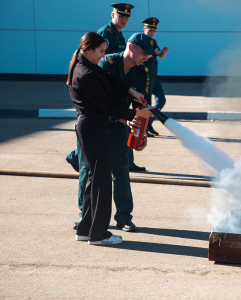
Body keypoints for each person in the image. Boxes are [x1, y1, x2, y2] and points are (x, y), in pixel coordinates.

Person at [67, 31, 154, 245]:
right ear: (89, 50)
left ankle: (85, 229)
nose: (103, 56)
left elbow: (110, 79)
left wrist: (131, 92)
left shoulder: (88, 67)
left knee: (94, 180)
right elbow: (106, 107)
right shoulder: (86, 74)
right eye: (101, 51)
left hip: (93, 127)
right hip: (94, 127)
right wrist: (136, 115)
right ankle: (99, 234)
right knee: (102, 181)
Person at [66, 2, 147, 172]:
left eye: (127, 17)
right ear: (112, 15)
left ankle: (77, 155)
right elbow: (101, 68)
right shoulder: (105, 34)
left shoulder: (119, 35)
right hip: (100, 99)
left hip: (114, 94)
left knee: (109, 151)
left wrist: (128, 90)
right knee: (88, 164)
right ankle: (75, 155)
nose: (124, 19)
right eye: (121, 15)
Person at [127, 17, 170, 170]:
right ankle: (147, 126)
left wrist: (162, 52)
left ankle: (149, 124)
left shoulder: (153, 42)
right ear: (144, 29)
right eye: (149, 29)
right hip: (145, 77)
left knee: (162, 100)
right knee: (147, 103)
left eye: (153, 30)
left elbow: (160, 56)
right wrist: (155, 53)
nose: (151, 32)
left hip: (154, 76)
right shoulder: (142, 41)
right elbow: (148, 55)